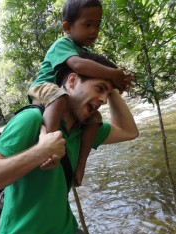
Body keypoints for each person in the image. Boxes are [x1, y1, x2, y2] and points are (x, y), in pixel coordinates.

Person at [0, 52, 139, 234]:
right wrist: (42, 151)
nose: (104, 100)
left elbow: (129, 131)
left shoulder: (84, 129)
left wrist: (113, 86)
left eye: (107, 94)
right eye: (99, 88)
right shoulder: (32, 119)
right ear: (72, 81)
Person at [27, 0, 132, 187]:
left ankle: (81, 163)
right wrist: (114, 74)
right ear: (67, 27)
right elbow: (78, 66)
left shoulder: (85, 51)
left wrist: (118, 82)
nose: (94, 30)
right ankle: (50, 143)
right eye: (88, 24)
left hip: (61, 96)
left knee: (95, 119)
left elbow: (99, 71)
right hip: (42, 89)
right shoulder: (63, 44)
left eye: (98, 25)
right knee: (59, 95)